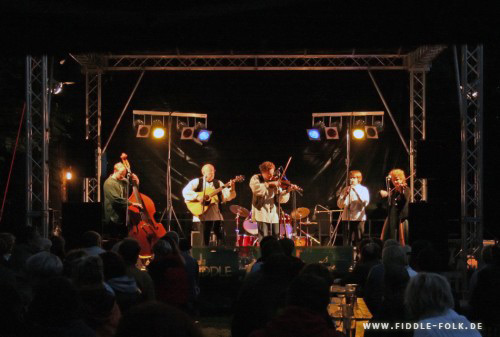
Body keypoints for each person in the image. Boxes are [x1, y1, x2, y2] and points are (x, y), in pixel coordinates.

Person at [182, 163, 236, 246]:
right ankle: (203, 257)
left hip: (216, 215)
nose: (212, 173)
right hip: (201, 216)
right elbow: (185, 191)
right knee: (204, 241)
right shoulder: (197, 182)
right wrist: (198, 196)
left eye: (213, 171)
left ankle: (220, 254)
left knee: (221, 238)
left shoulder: (218, 183)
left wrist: (232, 189)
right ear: (203, 172)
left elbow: (227, 197)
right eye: (210, 171)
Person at [249, 161, 297, 241]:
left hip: (274, 213)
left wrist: (287, 191)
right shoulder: (256, 178)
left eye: (272, 173)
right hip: (261, 212)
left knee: (276, 237)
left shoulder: (275, 180)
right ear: (263, 172)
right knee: (263, 238)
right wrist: (268, 184)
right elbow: (256, 190)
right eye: (269, 174)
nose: (271, 176)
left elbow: (280, 199)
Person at [103, 162, 142, 239]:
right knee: (114, 240)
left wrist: (136, 182)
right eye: (121, 173)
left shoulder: (124, 181)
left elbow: (132, 194)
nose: (123, 176)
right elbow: (115, 200)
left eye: (124, 174)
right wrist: (132, 204)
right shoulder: (109, 183)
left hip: (124, 218)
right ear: (115, 171)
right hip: (113, 218)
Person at [337, 170, 370, 247]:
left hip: (358, 218)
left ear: (358, 179)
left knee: (359, 240)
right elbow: (339, 205)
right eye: (350, 178)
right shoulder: (346, 189)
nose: (351, 180)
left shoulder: (363, 189)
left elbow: (365, 203)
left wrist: (356, 192)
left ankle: (359, 256)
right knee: (346, 240)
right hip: (346, 218)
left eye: (353, 178)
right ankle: (347, 256)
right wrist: (345, 196)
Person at [380, 169, 410, 245]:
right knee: (385, 235)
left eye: (397, 180)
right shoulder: (393, 191)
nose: (395, 182)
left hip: (401, 216)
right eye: (393, 180)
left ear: (402, 179)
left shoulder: (406, 189)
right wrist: (384, 194)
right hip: (392, 215)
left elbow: (404, 200)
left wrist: (401, 191)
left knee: (401, 237)